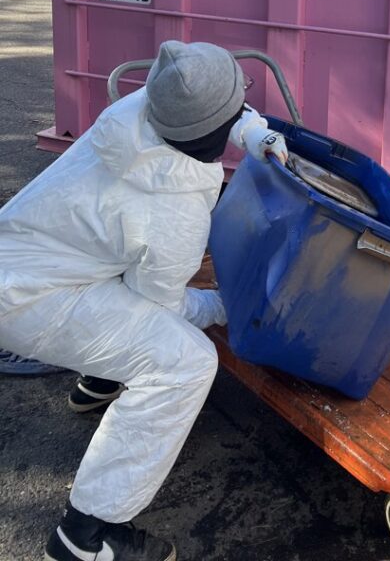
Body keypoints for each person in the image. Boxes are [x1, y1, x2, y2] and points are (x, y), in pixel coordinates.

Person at [0, 40, 288, 561]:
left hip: (30, 255)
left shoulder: (140, 112)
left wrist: (256, 132)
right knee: (184, 363)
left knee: (133, 299)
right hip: (31, 302)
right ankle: (86, 537)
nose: (243, 102)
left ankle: (103, 377)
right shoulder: (168, 218)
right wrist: (223, 306)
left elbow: (214, 109)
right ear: (210, 132)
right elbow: (163, 306)